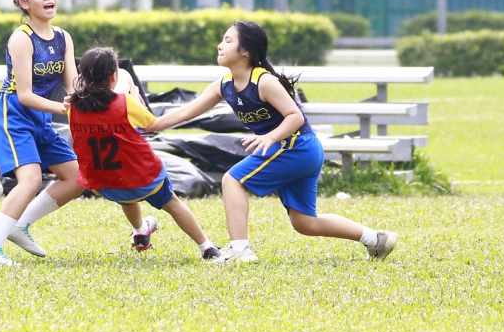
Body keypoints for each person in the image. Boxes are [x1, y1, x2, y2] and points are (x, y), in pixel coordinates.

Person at [146, 20, 398, 264]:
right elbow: (185, 112)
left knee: (232, 180)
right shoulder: (224, 85)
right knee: (305, 223)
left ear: (245, 51)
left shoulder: (263, 81)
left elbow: (295, 116)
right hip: (298, 150)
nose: (220, 46)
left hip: (296, 147)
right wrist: (150, 125)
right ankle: (375, 239)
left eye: (228, 40)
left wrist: (269, 137)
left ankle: (240, 250)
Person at [69, 46, 222, 260]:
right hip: (143, 179)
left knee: (126, 194)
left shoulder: (72, 106)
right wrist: (135, 97)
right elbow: (149, 123)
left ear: (82, 76)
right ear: (113, 77)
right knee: (172, 203)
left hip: (104, 184)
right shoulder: (125, 103)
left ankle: (140, 231)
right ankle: (206, 247)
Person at [0, 0, 84, 266]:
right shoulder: (21, 39)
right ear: (24, 2)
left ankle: (20, 225)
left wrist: (89, 100)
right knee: (31, 179)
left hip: (41, 118)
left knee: (78, 177)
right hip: (13, 115)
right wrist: (63, 109)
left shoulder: (63, 37)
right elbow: (24, 95)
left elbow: (73, 85)